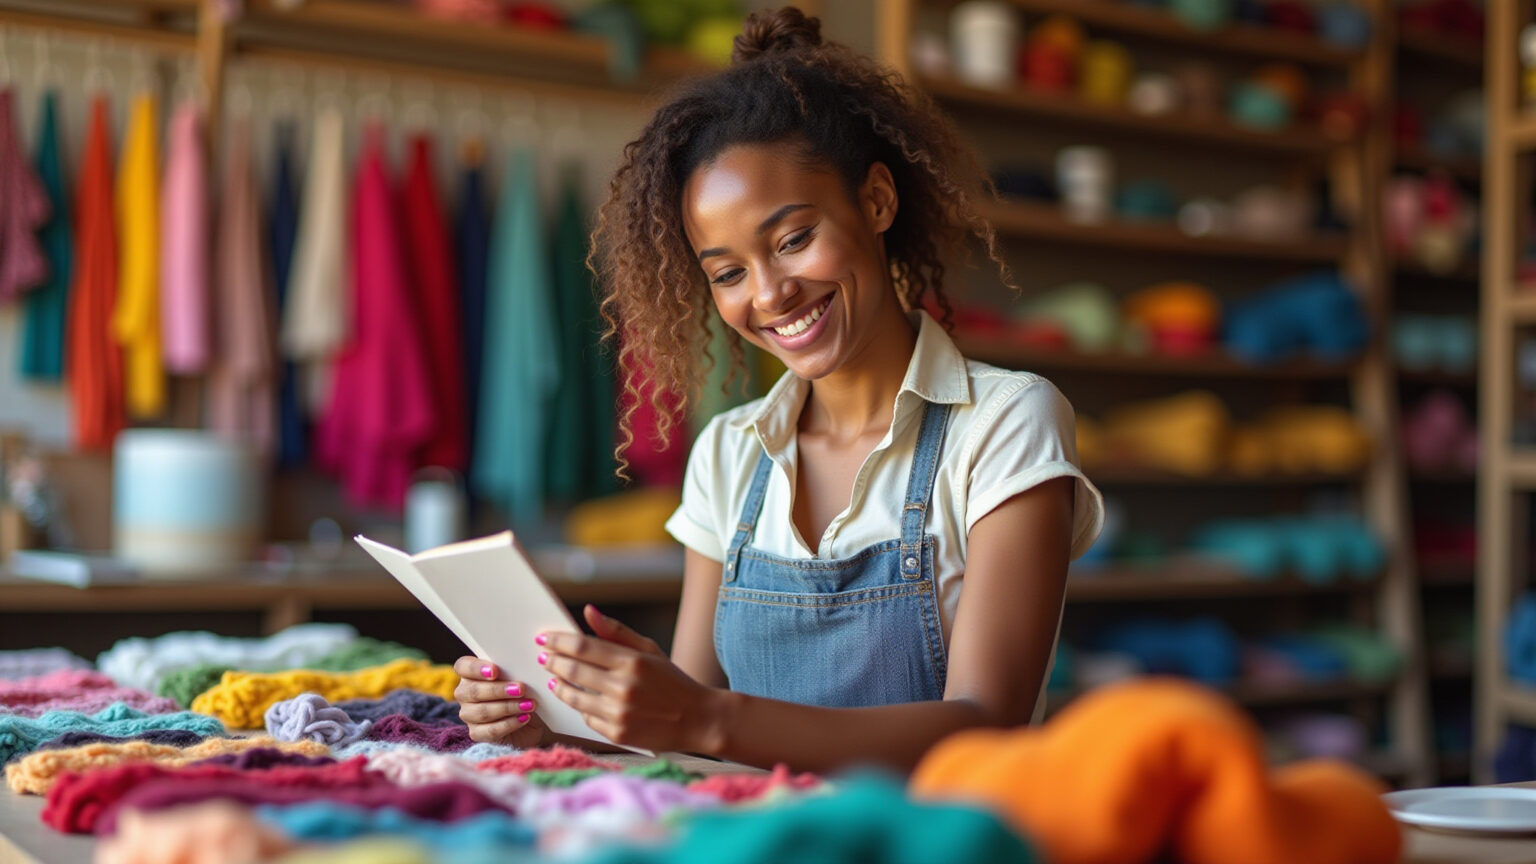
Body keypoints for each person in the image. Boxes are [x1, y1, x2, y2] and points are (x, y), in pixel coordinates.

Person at [453, 6, 1104, 773]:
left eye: (794, 239)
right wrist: (562, 719)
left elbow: (985, 724)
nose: (769, 295)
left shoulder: (1003, 423)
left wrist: (701, 715)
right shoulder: (729, 453)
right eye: (728, 272)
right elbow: (689, 729)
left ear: (878, 202)